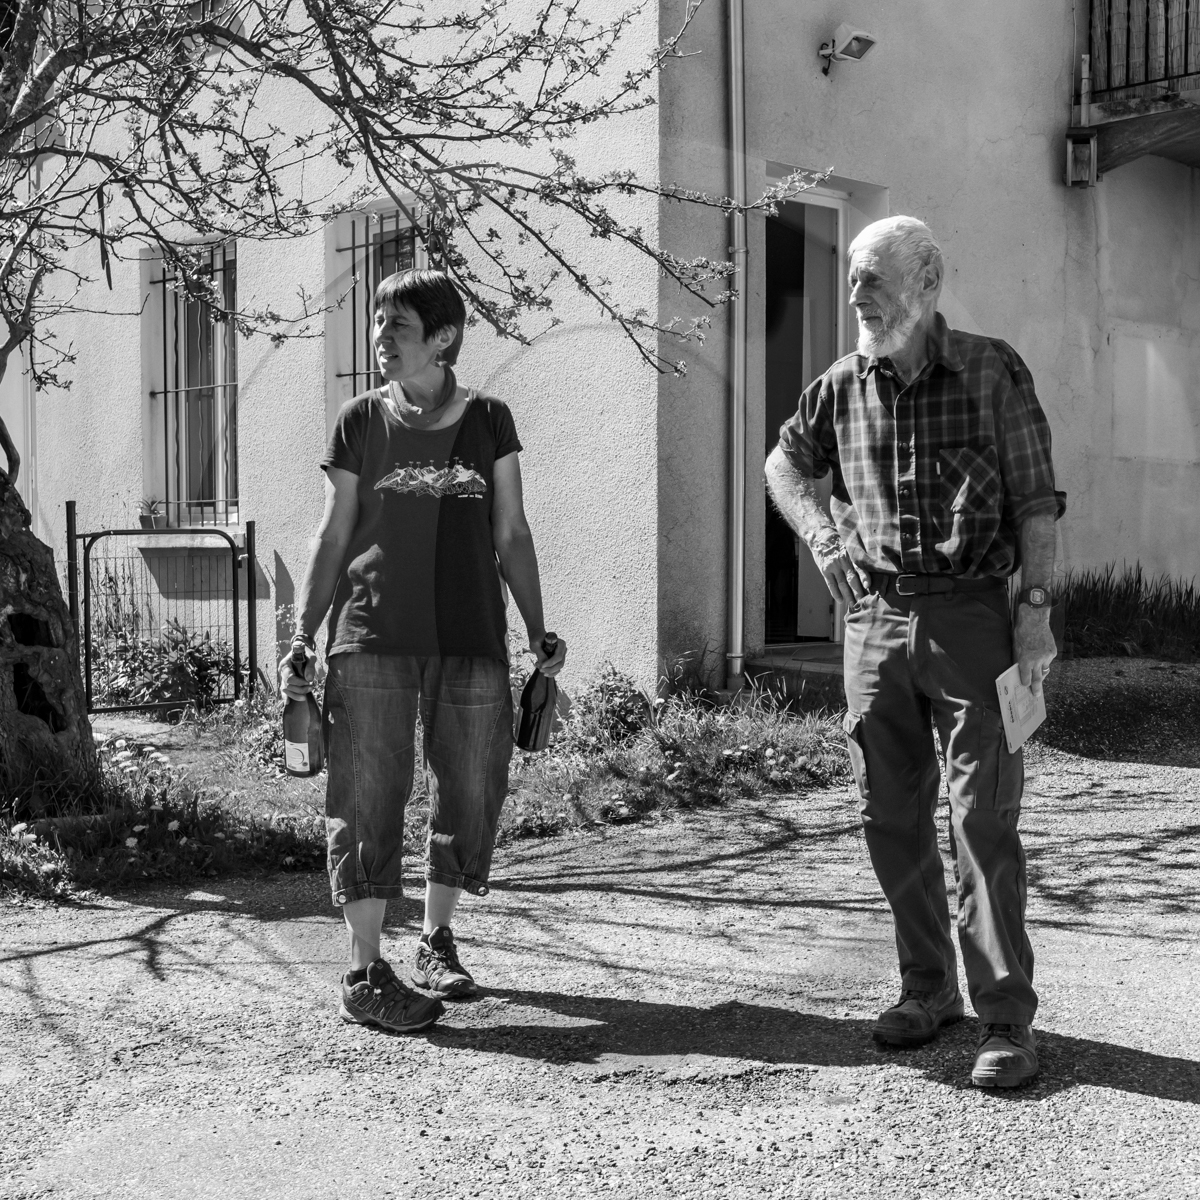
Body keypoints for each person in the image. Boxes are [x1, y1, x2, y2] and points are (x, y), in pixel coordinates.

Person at [765, 216, 1065, 1088]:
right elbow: (784, 467)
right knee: (890, 817)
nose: (857, 295)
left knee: (983, 819)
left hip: (975, 618)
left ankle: (1006, 1017)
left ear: (927, 285)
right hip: (875, 624)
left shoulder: (988, 368)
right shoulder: (839, 384)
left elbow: (1037, 504)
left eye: (874, 280)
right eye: (854, 278)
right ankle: (926, 989)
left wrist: (1035, 612)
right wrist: (822, 537)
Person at [281, 267, 567, 1034]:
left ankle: (436, 942)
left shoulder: (492, 421)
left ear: (442, 338)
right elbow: (335, 531)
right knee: (368, 794)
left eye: (396, 327)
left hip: (472, 636)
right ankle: (363, 970)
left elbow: (511, 530)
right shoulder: (359, 421)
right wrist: (303, 632)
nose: (380, 340)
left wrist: (538, 629)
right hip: (370, 635)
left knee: (471, 789)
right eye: (378, 324)